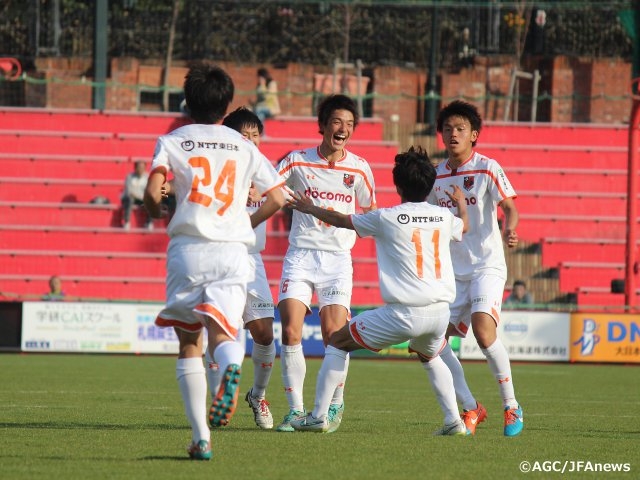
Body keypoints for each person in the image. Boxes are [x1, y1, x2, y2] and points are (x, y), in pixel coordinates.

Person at [143, 62, 285, 460]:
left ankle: (201, 438)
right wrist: (244, 222)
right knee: (224, 333)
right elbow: (277, 196)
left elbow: (153, 194)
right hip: (234, 252)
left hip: (189, 248)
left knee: (191, 340)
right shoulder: (244, 145)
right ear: (226, 105)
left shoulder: (173, 140)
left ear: (188, 101)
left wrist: (158, 209)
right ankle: (230, 368)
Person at [287, 146, 470, 435]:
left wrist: (310, 208)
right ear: (430, 185)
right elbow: (465, 227)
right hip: (439, 313)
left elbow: (343, 220)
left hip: (404, 313)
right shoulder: (444, 217)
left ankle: (319, 416)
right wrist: (460, 204)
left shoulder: (387, 217)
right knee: (430, 356)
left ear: (398, 186)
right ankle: (453, 421)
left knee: (338, 341)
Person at [274, 94, 377, 432]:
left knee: (334, 335)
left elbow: (370, 210)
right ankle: (296, 411)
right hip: (300, 255)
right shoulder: (297, 161)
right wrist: (255, 194)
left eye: (349, 124)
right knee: (290, 330)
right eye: (337, 122)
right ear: (323, 125)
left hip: (337, 260)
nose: (343, 129)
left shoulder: (359, 168)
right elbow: (270, 186)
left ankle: (335, 402)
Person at [426, 99, 523, 437]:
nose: (453, 134)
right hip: (452, 272)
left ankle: (511, 405)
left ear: (474, 135)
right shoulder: (435, 175)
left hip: (486, 266)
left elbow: (510, 207)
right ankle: (471, 407)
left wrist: (510, 228)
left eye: (460, 128)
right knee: (429, 343)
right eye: (447, 128)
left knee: (483, 332)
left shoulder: (487, 168)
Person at [204, 107, 279, 430]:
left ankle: (257, 396)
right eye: (243, 135)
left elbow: (284, 193)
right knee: (222, 330)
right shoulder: (219, 168)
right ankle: (219, 398)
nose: (250, 140)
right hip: (221, 257)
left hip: (252, 260)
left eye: (255, 135)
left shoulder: (265, 171)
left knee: (265, 334)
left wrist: (262, 192)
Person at [121, 160, 152, 230]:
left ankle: (149, 223)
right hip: (131, 198)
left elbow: (148, 191)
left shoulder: (147, 177)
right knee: (129, 199)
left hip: (142, 199)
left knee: (151, 200)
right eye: (139, 167)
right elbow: (129, 191)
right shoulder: (129, 177)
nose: (141, 169)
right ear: (135, 168)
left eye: (142, 168)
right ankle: (127, 222)